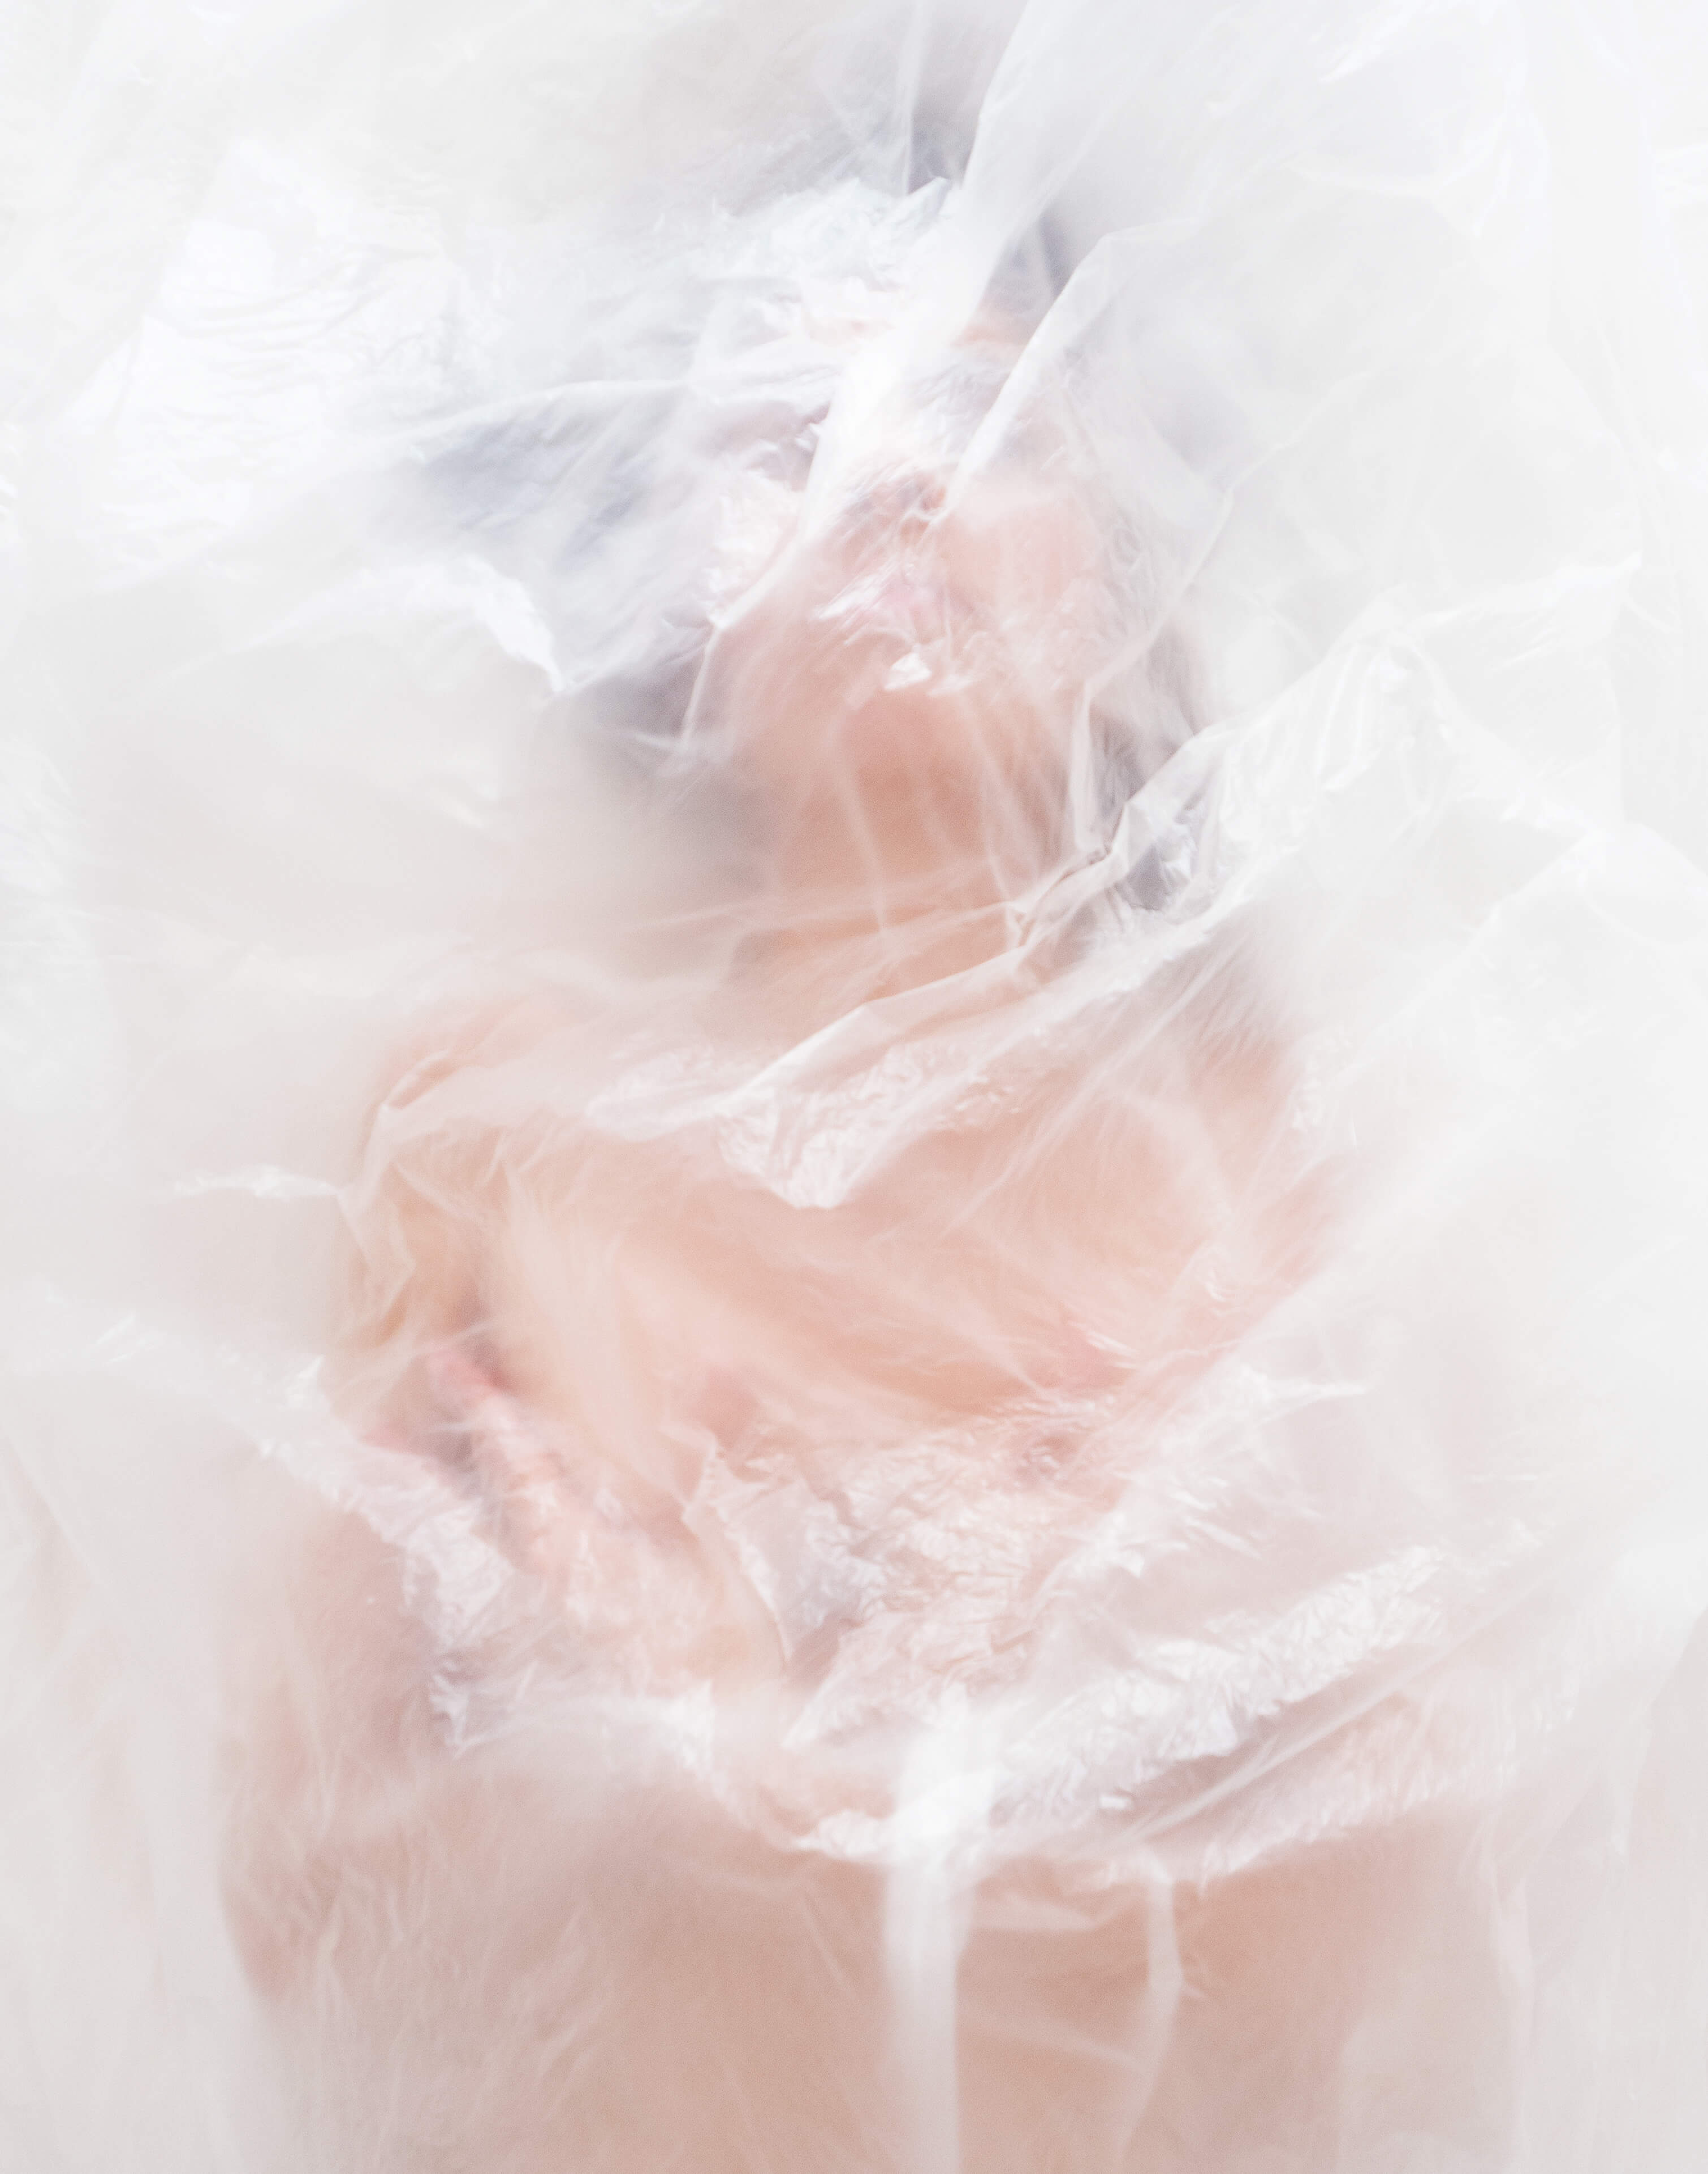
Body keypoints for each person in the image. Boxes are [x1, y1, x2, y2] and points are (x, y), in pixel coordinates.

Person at [223, 294, 1323, 2174]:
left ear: (1130, 559)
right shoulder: (493, 1128)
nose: (892, 486)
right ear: (658, 595)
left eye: (985, 418)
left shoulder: (1264, 1161)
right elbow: (288, 1891)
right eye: (781, 441)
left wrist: (793, 1792)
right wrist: (627, 1774)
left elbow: (1382, 1950)